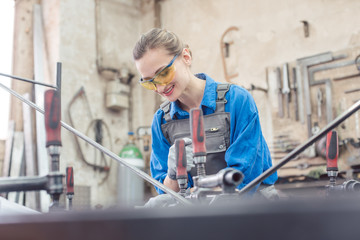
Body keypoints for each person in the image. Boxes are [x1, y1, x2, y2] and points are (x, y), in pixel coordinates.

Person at [133, 28, 277, 196]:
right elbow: (165, 192)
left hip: (252, 207)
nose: (160, 87)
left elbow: (245, 175)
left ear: (186, 57)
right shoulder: (162, 121)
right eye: (149, 82)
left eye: (163, 74)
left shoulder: (236, 101)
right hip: (197, 210)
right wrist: (173, 174)